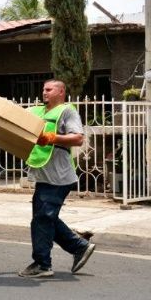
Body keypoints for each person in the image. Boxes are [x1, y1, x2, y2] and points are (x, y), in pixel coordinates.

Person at [18, 79, 96, 278]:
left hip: (59, 177)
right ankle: (79, 247)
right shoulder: (36, 111)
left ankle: (43, 264)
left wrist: (52, 138)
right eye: (43, 89)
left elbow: (78, 138)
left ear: (61, 92)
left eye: (49, 89)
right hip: (44, 175)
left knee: (43, 218)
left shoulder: (67, 111)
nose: (44, 92)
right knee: (44, 218)